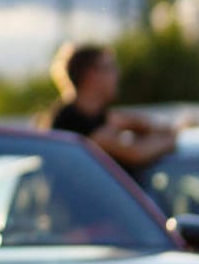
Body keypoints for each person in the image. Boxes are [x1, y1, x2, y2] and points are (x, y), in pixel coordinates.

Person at [35, 43, 176, 175]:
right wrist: (172, 139)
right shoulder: (71, 121)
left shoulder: (97, 115)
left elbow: (136, 123)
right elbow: (136, 153)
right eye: (110, 68)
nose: (118, 74)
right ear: (91, 75)